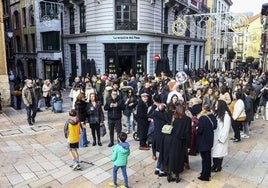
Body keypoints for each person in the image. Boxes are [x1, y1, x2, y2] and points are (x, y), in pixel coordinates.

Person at [159, 103, 192, 183]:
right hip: (179, 141)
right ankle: (177, 175)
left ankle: (169, 174)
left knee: (170, 156)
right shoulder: (187, 119)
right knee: (178, 158)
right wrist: (188, 145)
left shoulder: (174, 117)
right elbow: (188, 133)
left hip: (169, 139)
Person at [196, 103, 217, 181]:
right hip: (209, 140)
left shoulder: (202, 118)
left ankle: (205, 175)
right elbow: (215, 126)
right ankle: (207, 173)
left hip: (203, 141)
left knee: (204, 159)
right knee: (208, 158)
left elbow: (200, 130)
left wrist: (197, 128)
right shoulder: (212, 116)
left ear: (203, 109)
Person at [211, 100, 232, 172]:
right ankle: (214, 165)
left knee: (220, 153)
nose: (215, 106)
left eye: (217, 104)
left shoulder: (226, 116)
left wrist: (222, 139)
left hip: (221, 138)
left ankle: (218, 166)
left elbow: (226, 129)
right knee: (214, 153)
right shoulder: (216, 114)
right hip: (215, 137)